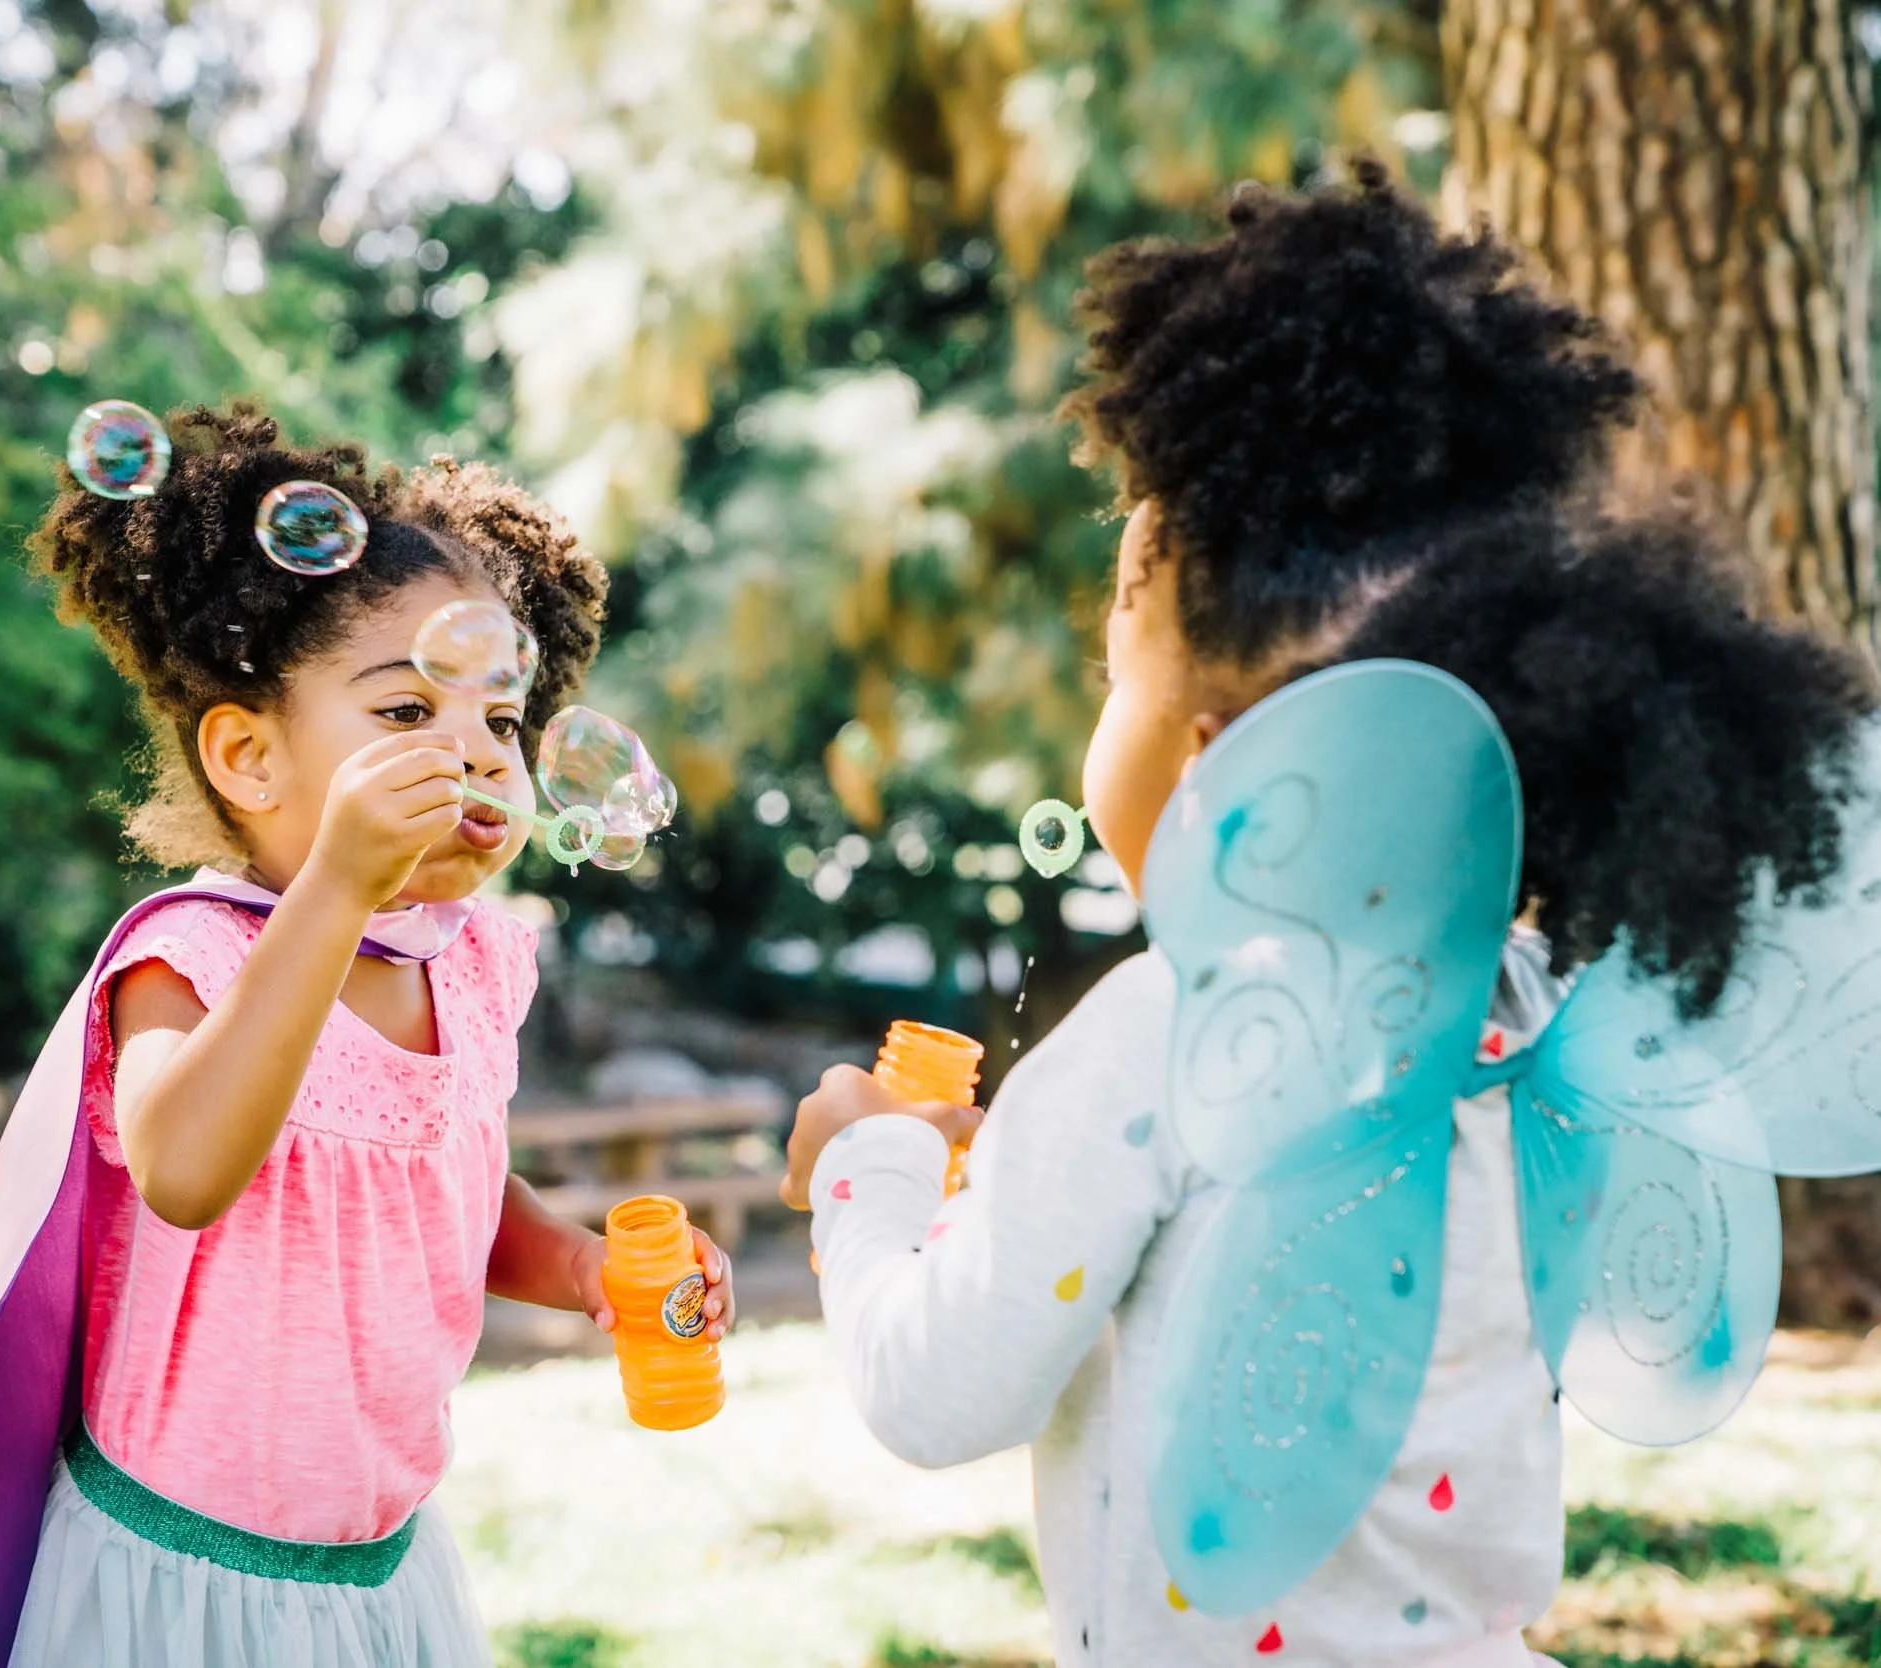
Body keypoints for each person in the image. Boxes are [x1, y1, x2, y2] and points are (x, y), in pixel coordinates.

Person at [783, 159, 1878, 1668]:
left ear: (1223, 766)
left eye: (1118, 675)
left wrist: (873, 1169)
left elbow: (934, 1392)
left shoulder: (1166, 1032)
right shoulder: (1527, 1010)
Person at [0, 407, 734, 1668]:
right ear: (249, 758)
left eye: (499, 719)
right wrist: (337, 891)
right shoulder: (187, 960)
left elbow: (446, 1197)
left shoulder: (469, 962)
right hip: (182, 1588)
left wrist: (583, 1267)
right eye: (406, 710)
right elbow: (186, 1170)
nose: (475, 753)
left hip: (379, 1569)